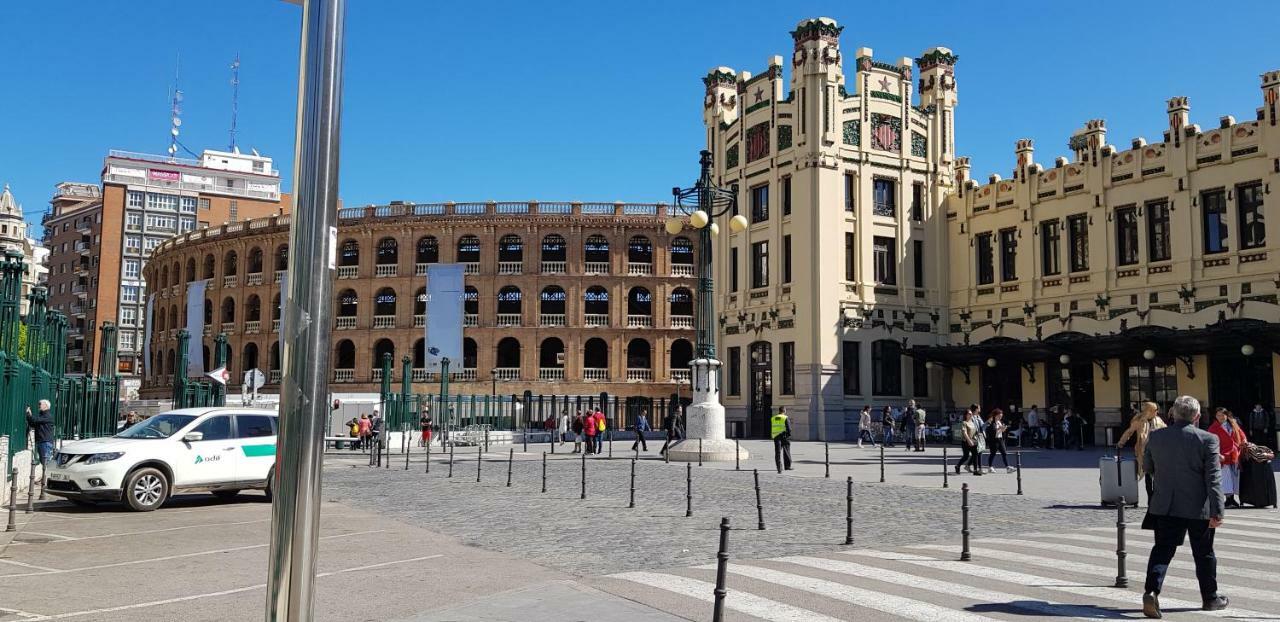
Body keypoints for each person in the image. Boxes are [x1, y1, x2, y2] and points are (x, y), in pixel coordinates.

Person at [1141, 395, 1228, 618]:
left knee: (1162, 550)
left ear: (1173, 413)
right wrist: (1218, 511)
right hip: (1198, 507)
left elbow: (1148, 466)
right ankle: (1210, 598)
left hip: (1166, 505)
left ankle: (1151, 591)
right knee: (1204, 553)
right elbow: (1213, 479)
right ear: (1197, 416)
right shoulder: (1208, 439)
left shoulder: (1157, 436)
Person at [1118, 401, 1167, 502]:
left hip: (1157, 452)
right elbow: (1129, 431)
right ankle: (1150, 497)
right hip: (1144, 452)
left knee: (1157, 474)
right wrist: (1121, 443)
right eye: (1155, 410)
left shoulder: (1158, 420)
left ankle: (1155, 497)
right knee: (1147, 474)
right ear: (1149, 411)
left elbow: (1166, 431)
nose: (1157, 412)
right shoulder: (1139, 420)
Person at [1208, 408, 1247, 509]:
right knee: (1226, 478)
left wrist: (1244, 441)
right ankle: (1228, 499)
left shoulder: (1233, 424)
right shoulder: (1213, 428)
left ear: (1226, 415)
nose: (1220, 417)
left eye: (1222, 415)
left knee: (1234, 477)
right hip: (1222, 455)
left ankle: (1232, 498)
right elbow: (1209, 442)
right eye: (1218, 415)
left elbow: (1241, 435)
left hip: (1234, 454)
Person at [26, 400, 56, 472]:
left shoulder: (48, 416)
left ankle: (48, 479)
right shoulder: (42, 416)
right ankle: (45, 479)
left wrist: (29, 415)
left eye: (40, 404)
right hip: (41, 442)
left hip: (45, 442)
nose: (39, 405)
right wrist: (29, 417)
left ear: (46, 406)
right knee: (43, 462)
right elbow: (33, 423)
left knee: (46, 462)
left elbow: (36, 420)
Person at [956, 409, 983, 476]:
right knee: (966, 456)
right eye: (969, 414)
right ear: (966, 415)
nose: (971, 415)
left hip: (973, 441)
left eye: (971, 414)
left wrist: (978, 434)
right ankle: (958, 466)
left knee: (975, 455)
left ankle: (975, 470)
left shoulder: (972, 422)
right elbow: (964, 433)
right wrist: (969, 440)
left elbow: (975, 431)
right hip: (966, 441)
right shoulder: (964, 423)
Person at [770, 406, 793, 473]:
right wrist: (788, 435)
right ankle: (787, 466)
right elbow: (789, 429)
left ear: (779, 411)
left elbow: (772, 427)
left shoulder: (773, 418)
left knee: (777, 452)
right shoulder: (785, 417)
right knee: (786, 451)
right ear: (784, 411)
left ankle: (779, 468)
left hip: (776, 437)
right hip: (784, 436)